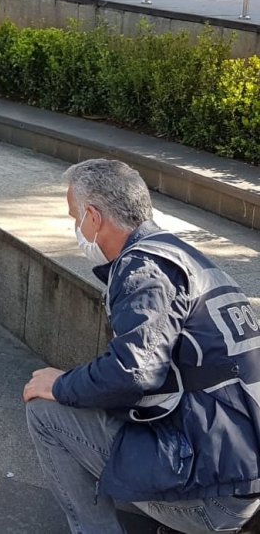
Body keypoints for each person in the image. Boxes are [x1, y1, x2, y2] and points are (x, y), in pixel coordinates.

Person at [23, 159, 260, 534]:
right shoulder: (182, 257)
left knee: (45, 410)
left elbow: (135, 371)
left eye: (75, 217)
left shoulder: (144, 270)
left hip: (218, 501)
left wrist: (59, 385)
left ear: (93, 217)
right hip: (240, 473)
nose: (75, 228)